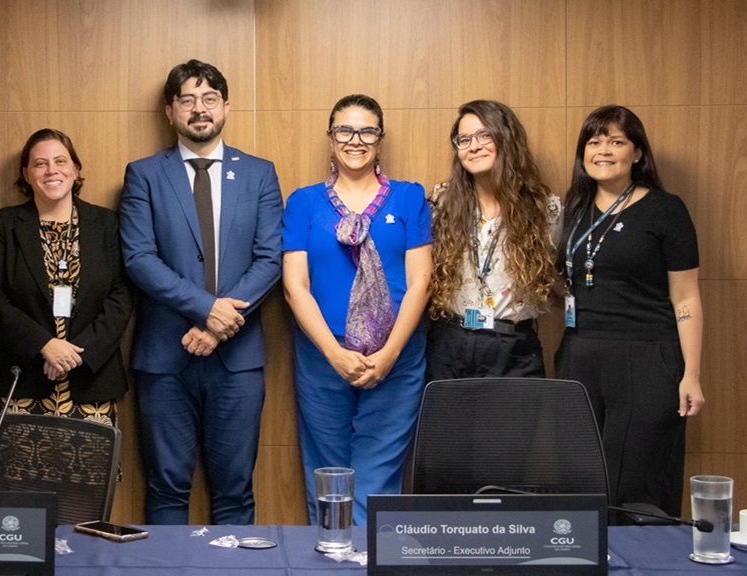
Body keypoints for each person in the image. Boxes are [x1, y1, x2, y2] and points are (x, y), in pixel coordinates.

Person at [119, 59, 283, 525]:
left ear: (226, 106)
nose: (199, 109)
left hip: (237, 358)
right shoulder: (144, 175)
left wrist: (219, 325)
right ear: (170, 111)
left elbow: (270, 258)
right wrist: (208, 309)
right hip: (164, 358)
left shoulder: (259, 174)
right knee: (166, 488)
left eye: (209, 98)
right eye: (187, 99)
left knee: (235, 491)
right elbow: (139, 259)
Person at [281, 94, 432, 526]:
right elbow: (295, 286)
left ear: (380, 140)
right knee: (328, 477)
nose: (356, 140)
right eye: (345, 130)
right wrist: (333, 353)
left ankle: (368, 565)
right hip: (323, 355)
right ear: (331, 139)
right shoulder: (304, 202)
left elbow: (421, 280)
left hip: (396, 357)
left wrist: (387, 356)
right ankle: (329, 560)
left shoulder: (408, 198)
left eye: (367, 131)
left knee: (375, 479)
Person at [555, 105, 703, 517]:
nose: (604, 150)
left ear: (637, 153)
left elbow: (686, 297)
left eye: (617, 141)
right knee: (579, 476)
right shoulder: (572, 209)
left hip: (647, 357)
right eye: (594, 141)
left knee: (638, 480)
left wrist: (691, 373)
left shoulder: (665, 209)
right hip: (579, 356)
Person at [0, 128, 132, 428]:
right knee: (12, 476)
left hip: (89, 381)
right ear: (26, 173)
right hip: (20, 378)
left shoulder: (106, 224)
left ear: (76, 169)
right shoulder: (6, 225)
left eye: (60, 161)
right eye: (40, 163)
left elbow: (121, 295)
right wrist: (44, 345)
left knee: (84, 474)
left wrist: (76, 354)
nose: (51, 170)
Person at [426, 100, 560, 381]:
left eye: (485, 135)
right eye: (464, 139)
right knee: (447, 427)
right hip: (450, 343)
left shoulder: (545, 210)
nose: (474, 146)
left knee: (511, 427)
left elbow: (560, 276)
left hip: (513, 347)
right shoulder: (441, 203)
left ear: (506, 138)